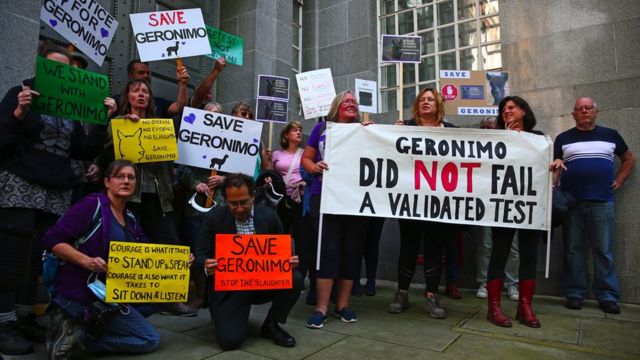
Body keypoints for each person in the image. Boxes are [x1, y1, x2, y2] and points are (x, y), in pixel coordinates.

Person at [0, 45, 112, 355]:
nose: (64, 74)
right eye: (56, 68)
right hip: (21, 185)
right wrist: (19, 114)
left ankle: (23, 316)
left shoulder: (71, 111)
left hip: (55, 191)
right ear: (42, 69)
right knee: (12, 255)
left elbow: (83, 150)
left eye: (69, 69)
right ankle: (3, 321)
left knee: (36, 255)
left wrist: (102, 120)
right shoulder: (19, 94)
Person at [97, 79, 198, 316]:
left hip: (159, 195)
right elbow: (106, 156)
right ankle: (127, 300)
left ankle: (171, 299)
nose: (141, 95)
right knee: (128, 247)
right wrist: (124, 129)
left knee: (169, 243)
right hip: (130, 197)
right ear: (127, 97)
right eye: (135, 91)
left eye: (145, 91)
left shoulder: (161, 126)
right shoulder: (117, 123)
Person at [42, 160, 160, 359]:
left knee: (158, 301)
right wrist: (85, 261)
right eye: (119, 176)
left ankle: (83, 339)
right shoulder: (92, 205)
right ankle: (72, 328)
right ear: (107, 182)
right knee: (149, 339)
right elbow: (51, 239)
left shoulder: (129, 217)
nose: (126, 181)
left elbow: (146, 252)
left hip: (110, 296)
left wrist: (180, 263)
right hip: (83, 292)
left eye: (131, 177)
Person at [194, 173, 302, 350]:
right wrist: (206, 264)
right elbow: (199, 256)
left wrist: (290, 260)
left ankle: (272, 324)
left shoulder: (269, 216)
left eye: (244, 202)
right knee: (229, 341)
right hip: (230, 288)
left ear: (253, 195)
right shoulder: (213, 218)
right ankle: (230, 315)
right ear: (225, 199)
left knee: (295, 278)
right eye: (233, 203)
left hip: (263, 283)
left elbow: (283, 251)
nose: (238, 208)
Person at [486, 95, 563, 328]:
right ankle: (494, 308)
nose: (507, 111)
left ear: (523, 111)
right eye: (503, 109)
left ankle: (525, 307)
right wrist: (509, 138)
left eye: (512, 107)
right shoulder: (496, 138)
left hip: (530, 205)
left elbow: (550, 178)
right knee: (499, 252)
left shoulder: (539, 139)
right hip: (504, 205)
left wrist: (555, 165)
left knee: (529, 254)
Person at [554, 97, 635, 314]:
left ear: (596, 112)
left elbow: (629, 159)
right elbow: (554, 167)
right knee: (573, 250)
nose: (584, 112)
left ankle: (607, 295)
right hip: (571, 202)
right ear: (573, 115)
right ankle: (574, 293)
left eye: (588, 108)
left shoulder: (611, 135)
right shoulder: (563, 139)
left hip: (602, 201)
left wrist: (620, 179)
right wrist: (556, 168)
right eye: (580, 109)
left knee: (604, 250)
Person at [302, 91, 370, 328]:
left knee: (351, 250)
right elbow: (306, 159)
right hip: (326, 195)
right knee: (327, 250)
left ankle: (343, 305)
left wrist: (372, 131)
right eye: (347, 101)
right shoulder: (321, 129)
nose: (352, 103)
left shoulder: (364, 128)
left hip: (354, 198)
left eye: (354, 101)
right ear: (336, 106)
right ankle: (321, 307)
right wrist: (314, 167)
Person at [388, 88, 456, 319]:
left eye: (430, 100)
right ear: (417, 106)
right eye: (422, 100)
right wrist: (378, 131)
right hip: (410, 199)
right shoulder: (404, 128)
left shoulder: (452, 132)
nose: (426, 103)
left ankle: (431, 296)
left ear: (438, 105)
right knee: (408, 245)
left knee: (434, 248)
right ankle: (402, 293)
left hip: (439, 202)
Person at [473, 117, 520, 301]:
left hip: (508, 202)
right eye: (483, 127)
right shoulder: (476, 149)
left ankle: (511, 284)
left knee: (513, 247)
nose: (486, 129)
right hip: (485, 203)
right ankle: (484, 281)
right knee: (486, 245)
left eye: (490, 127)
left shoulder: (509, 145)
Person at [271, 121, 306, 270]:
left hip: (300, 198)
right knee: (281, 234)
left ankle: (300, 271)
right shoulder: (276, 154)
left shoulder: (306, 154)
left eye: (300, 130)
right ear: (286, 135)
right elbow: (270, 173)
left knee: (300, 235)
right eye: (294, 130)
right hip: (281, 199)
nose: (298, 132)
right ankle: (280, 268)